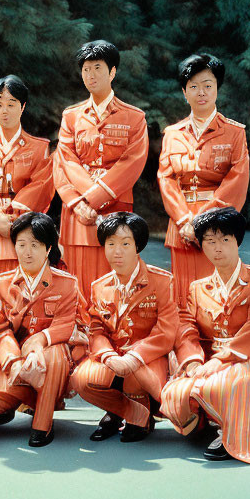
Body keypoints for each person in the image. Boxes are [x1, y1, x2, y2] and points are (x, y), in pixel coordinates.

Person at [161, 207, 250, 466]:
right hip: (209, 356)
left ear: (237, 241)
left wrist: (220, 361)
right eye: (210, 241)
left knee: (225, 385)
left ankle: (229, 433)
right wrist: (194, 360)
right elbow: (186, 328)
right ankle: (206, 419)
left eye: (225, 240)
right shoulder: (197, 288)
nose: (218, 248)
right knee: (175, 392)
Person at [53, 40, 148, 302]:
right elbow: (65, 162)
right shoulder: (71, 116)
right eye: (85, 69)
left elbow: (132, 163)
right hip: (76, 213)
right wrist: (78, 202)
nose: (91, 75)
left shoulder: (134, 117)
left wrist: (93, 199)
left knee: (115, 281)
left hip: (115, 209)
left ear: (113, 72)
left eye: (97, 68)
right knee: (77, 285)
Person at [71, 212, 178, 442]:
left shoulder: (161, 281)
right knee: (82, 379)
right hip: (114, 357)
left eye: (125, 244)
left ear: (138, 246)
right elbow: (96, 330)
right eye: (111, 244)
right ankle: (126, 412)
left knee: (133, 377)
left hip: (148, 359)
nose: (116, 251)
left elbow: (166, 332)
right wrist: (108, 355)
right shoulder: (99, 286)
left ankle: (141, 416)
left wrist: (135, 356)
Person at [157, 54, 249, 309]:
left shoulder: (234, 133)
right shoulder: (172, 134)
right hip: (181, 226)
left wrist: (203, 221)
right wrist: (185, 221)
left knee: (218, 295)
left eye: (208, 85)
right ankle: (186, 346)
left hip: (218, 225)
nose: (202, 92)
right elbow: (166, 179)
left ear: (217, 89)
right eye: (194, 86)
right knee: (183, 297)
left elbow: (237, 180)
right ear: (184, 91)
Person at [0, 212, 80, 447]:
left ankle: (42, 425)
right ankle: (34, 399)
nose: (27, 252)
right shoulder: (2, 283)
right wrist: (14, 361)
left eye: (35, 245)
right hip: (17, 362)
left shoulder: (67, 283)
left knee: (54, 354)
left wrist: (40, 341)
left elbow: (66, 324)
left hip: (53, 366)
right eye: (21, 244)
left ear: (48, 248)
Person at [0, 75, 54, 298]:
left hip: (22, 226)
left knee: (20, 290)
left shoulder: (39, 147)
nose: (5, 110)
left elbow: (41, 186)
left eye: (11, 104)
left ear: (22, 107)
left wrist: (14, 219)